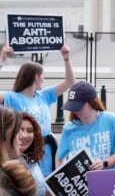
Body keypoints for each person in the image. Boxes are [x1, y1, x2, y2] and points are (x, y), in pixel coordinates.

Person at [0, 43, 76, 176]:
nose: (43, 79)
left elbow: (69, 82)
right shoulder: (11, 97)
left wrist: (67, 59)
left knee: (47, 185)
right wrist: (2, 60)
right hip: (24, 149)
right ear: (35, 76)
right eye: (42, 75)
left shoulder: (44, 95)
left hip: (46, 150)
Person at [55, 81, 115, 170]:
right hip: (83, 182)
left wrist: (104, 163)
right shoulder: (68, 128)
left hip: (109, 180)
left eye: (79, 106)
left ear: (92, 102)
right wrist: (60, 179)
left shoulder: (111, 120)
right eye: (72, 106)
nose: (75, 110)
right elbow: (59, 157)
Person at [20, 112, 47, 196]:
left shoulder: (32, 160)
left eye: (29, 131)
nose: (24, 135)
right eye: (20, 130)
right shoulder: (7, 162)